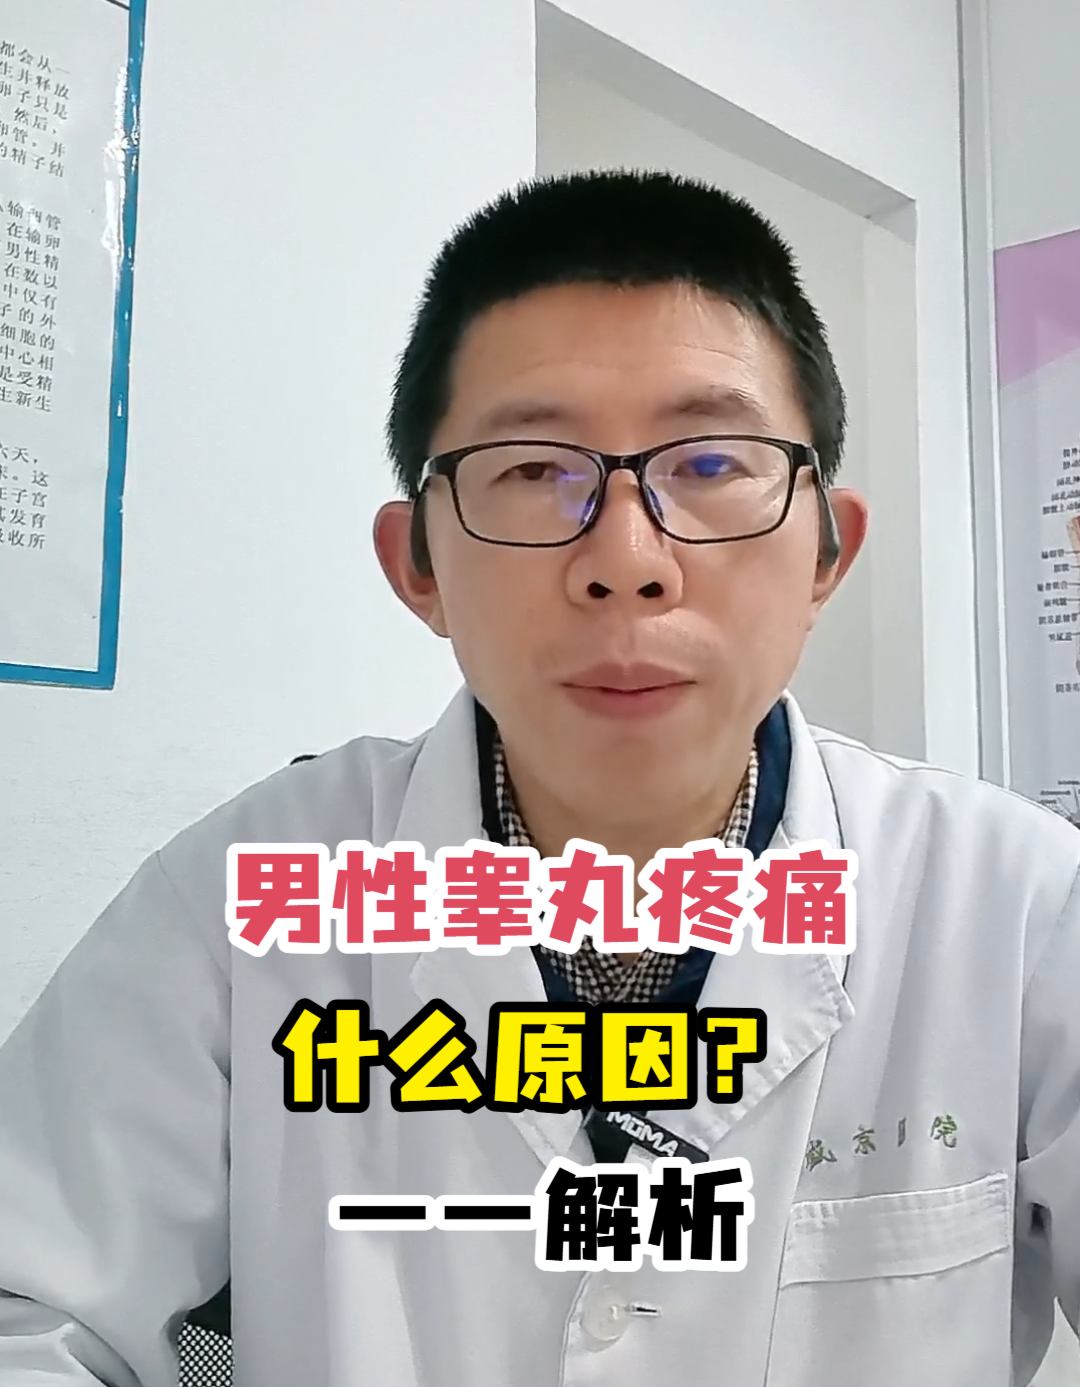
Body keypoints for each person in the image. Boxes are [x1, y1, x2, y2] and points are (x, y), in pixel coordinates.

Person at [0, 170, 1077, 1387]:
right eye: (531, 470)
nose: (627, 558)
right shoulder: (239, 905)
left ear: (829, 548)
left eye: (710, 462)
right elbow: (31, 1313)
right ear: (417, 565)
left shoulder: (1023, 907)